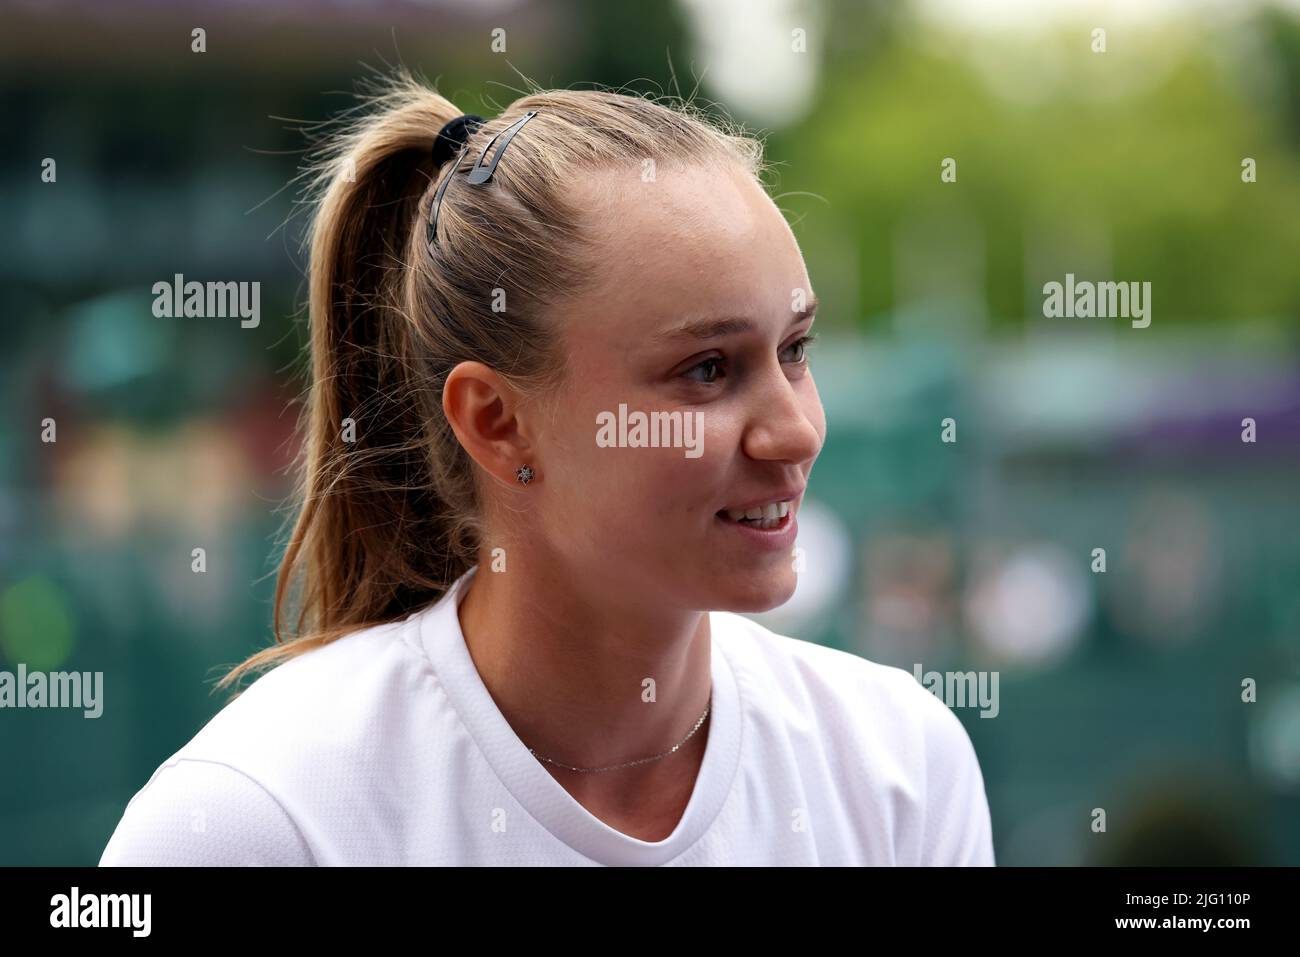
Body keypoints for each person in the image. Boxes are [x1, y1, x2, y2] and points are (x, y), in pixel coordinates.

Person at [99, 70, 995, 866]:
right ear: (497, 422)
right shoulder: (252, 819)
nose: (795, 430)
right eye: (707, 370)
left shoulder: (899, 770)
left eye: (795, 349)